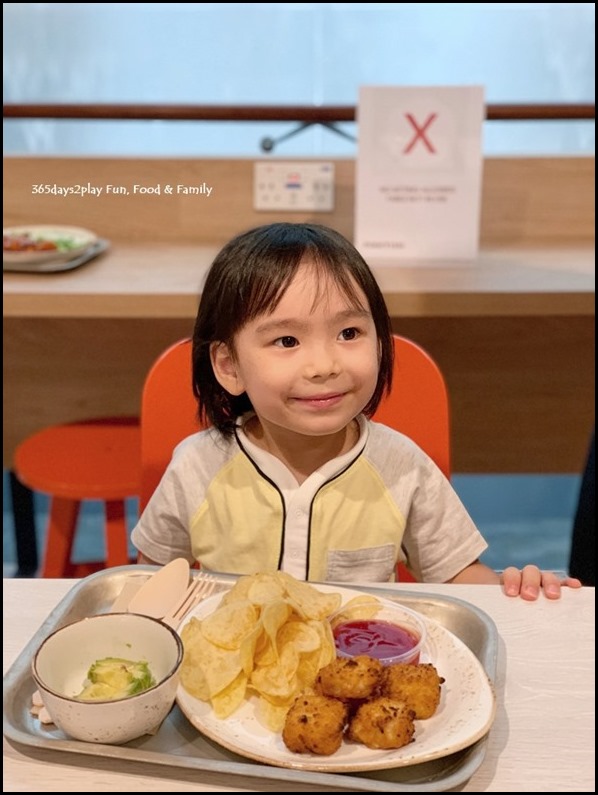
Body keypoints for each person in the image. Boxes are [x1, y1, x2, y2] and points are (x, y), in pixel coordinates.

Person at [132, 222, 581, 600]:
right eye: (287, 341)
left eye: (349, 332)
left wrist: (515, 586)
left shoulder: (401, 465)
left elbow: (461, 581)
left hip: (361, 682)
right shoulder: (197, 466)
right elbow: (150, 582)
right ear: (229, 366)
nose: (325, 366)